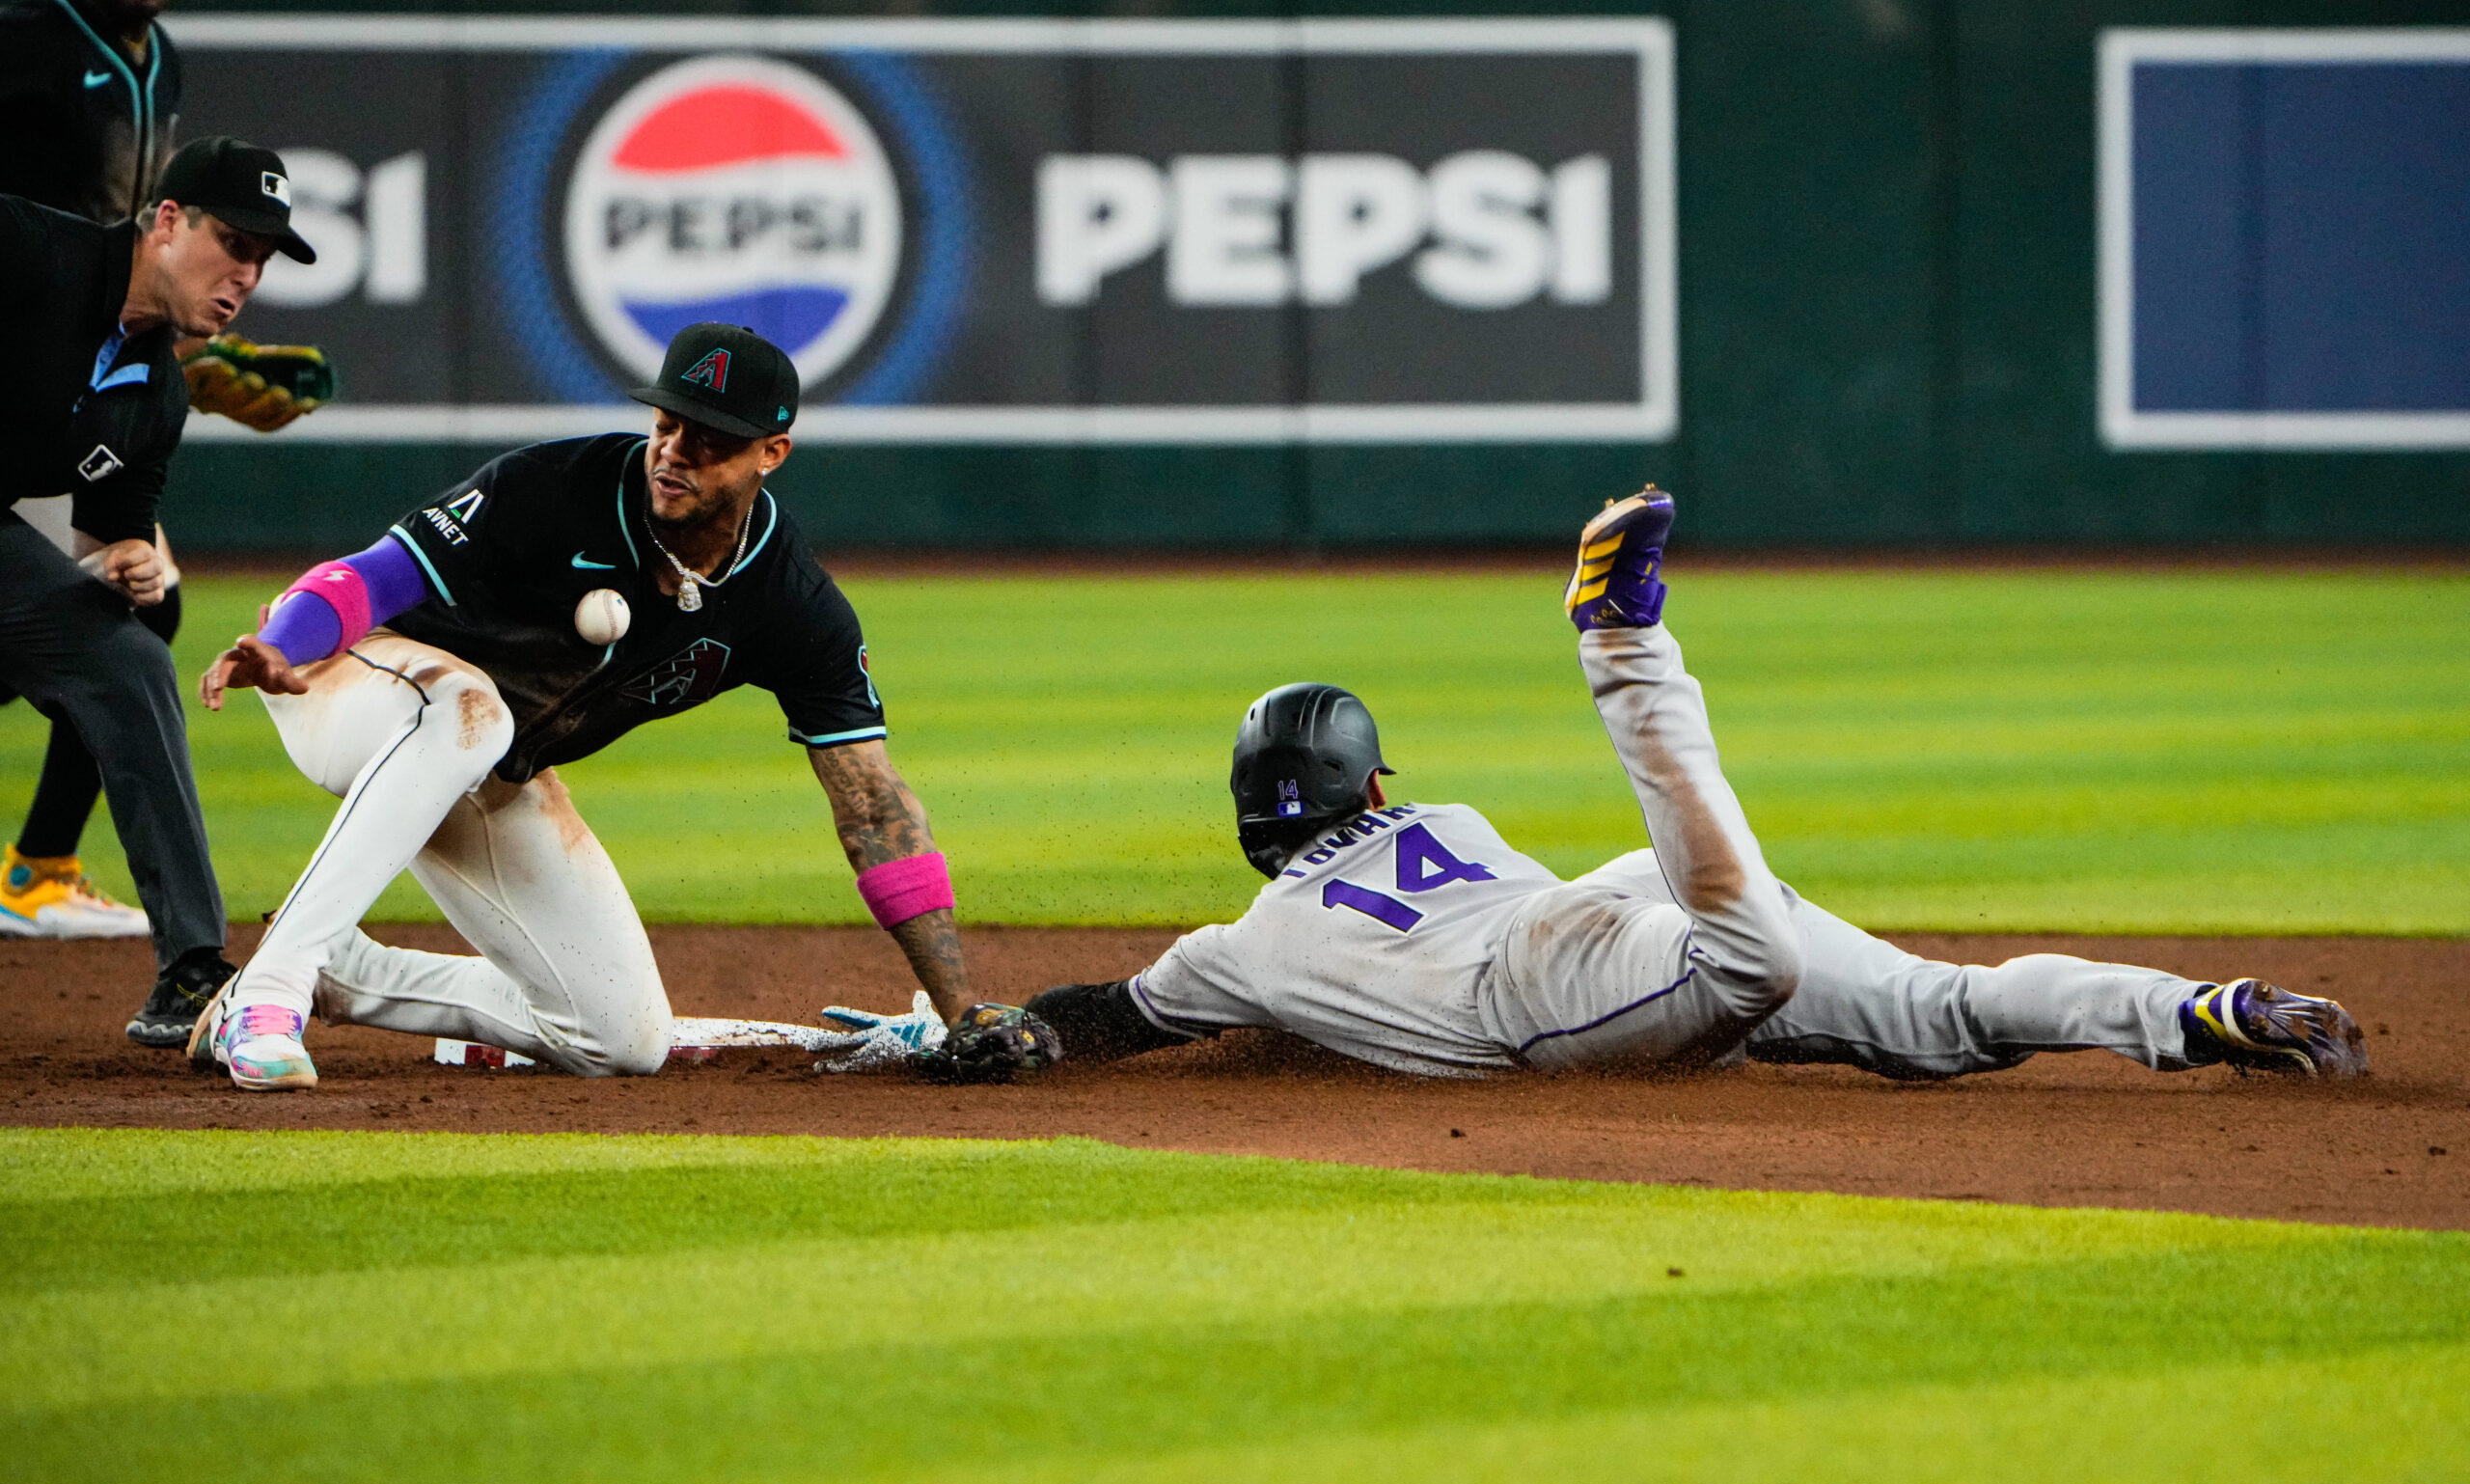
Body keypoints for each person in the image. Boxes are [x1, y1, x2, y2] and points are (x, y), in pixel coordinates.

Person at [1026, 487, 2370, 1083]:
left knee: (1755, 958)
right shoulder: (1445, 819)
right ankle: (2209, 1010)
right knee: (1933, 1012)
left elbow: (1101, 1018)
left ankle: (1624, 641)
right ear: (1372, 779)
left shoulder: (1241, 949)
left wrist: (961, 1031)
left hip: (1556, 985)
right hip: (1602, 918)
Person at [191, 322, 1056, 1089]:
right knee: (473, 709)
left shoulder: (791, 603)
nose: (675, 449)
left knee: (618, 1039)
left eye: (709, 438)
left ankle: (341, 970)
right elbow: (377, 573)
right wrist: (289, 642)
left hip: (485, 765)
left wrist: (962, 1008)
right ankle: (271, 996)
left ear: (771, 453)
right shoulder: (554, 487)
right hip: (346, 684)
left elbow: (873, 804)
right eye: (667, 422)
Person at [0, 0, 328, 942]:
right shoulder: (31, 44)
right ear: (175, 220)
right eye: (236, 246)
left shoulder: (160, 60)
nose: (247, 276)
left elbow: (115, 525)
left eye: (261, 260)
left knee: (140, 615)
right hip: (48, 308)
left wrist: (126, 554)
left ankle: (97, 904)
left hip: (85, 363)